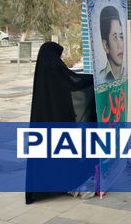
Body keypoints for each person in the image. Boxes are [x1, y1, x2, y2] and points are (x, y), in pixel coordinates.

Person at [26, 42, 97, 204]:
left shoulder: (44, 67)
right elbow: (73, 81)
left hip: (45, 118)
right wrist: (93, 80)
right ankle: (65, 182)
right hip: (60, 117)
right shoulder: (54, 65)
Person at [98, 5, 125, 83]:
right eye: (115, 37)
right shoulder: (101, 78)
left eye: (121, 37)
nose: (120, 45)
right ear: (105, 46)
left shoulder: (126, 74)